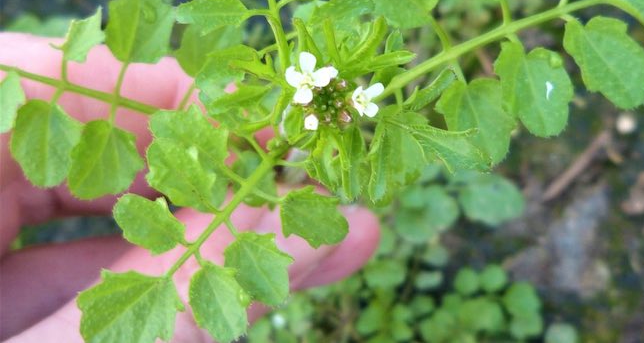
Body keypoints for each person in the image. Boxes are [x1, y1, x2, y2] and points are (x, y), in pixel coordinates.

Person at [0, 32, 381, 342]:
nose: (309, 81)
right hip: (260, 158)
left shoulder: (320, 113)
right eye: (307, 79)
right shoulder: (297, 101)